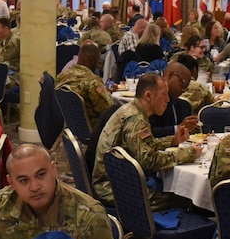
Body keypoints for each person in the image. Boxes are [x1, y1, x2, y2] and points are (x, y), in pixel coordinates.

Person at [93, 73, 199, 211]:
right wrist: (190, 153)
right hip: (113, 188)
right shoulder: (136, 120)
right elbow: (149, 161)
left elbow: (143, 147)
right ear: (148, 96)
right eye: (164, 94)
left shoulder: (132, 110)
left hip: (115, 181)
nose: (168, 100)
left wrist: (172, 141)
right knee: (184, 198)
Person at [55, 42, 113, 129]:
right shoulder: (92, 82)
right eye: (98, 61)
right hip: (94, 130)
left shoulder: (62, 76)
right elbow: (107, 109)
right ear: (92, 60)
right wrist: (107, 93)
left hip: (71, 126)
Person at [149, 61, 199, 138]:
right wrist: (177, 128)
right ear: (170, 75)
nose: (184, 90)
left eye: (186, 86)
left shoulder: (185, 107)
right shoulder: (151, 101)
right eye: (183, 84)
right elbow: (148, 132)